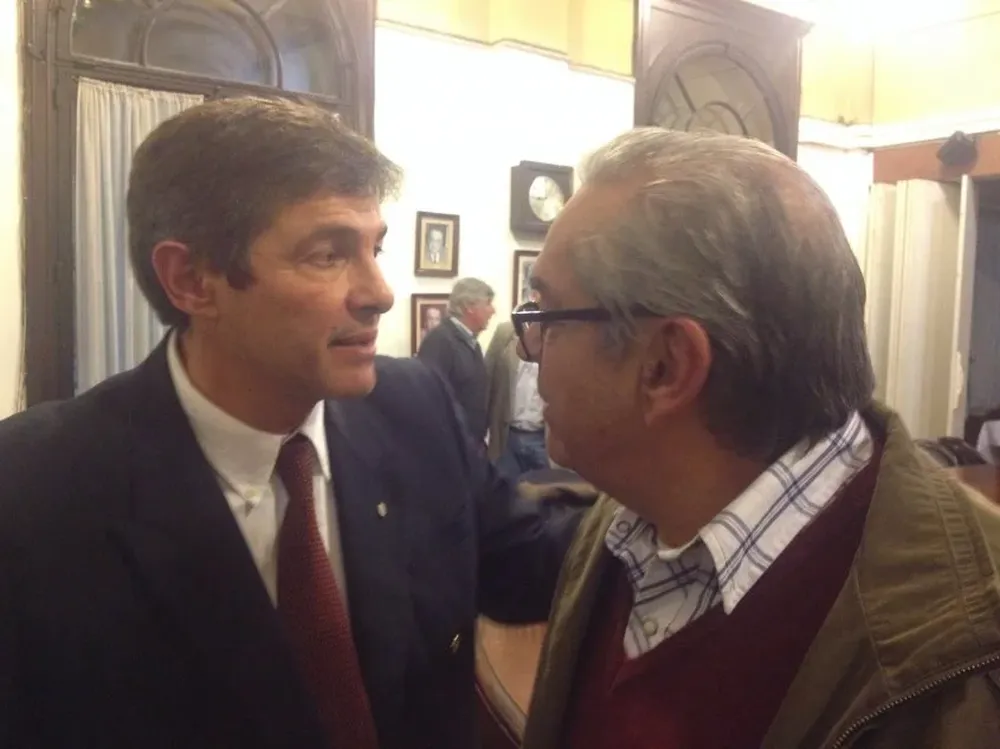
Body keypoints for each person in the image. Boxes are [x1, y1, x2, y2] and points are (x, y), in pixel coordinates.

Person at [0, 98, 586, 749]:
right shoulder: (34, 493)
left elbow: (529, 567)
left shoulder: (412, 408)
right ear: (192, 279)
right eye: (327, 253)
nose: (379, 292)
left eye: (375, 247)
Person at [517, 128, 1000, 749]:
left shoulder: (968, 657)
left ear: (665, 367)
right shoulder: (626, 521)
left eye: (547, 318)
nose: (531, 352)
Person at [417, 277, 495, 443]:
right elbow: (430, 402)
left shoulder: (471, 343)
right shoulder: (439, 341)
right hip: (450, 448)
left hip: (470, 445)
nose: (492, 310)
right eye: (488, 303)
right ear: (469, 306)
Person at [484, 320, 548, 477]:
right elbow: (487, 377)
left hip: (542, 439)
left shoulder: (561, 336)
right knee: (505, 495)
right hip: (507, 437)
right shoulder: (506, 332)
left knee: (546, 495)